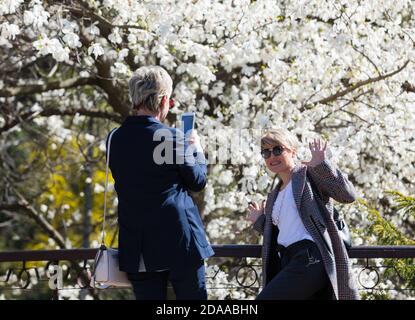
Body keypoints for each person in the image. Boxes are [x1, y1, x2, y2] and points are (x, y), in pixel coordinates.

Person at [106, 65, 214, 300]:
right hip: (179, 242)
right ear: (164, 100)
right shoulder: (171, 138)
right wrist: (194, 148)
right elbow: (197, 180)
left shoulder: (114, 138)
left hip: (137, 246)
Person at [247, 128, 359, 300]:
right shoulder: (274, 195)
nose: (272, 156)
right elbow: (287, 230)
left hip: (310, 257)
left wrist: (322, 165)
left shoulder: (307, 175)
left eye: (277, 150)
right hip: (287, 260)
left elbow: (347, 195)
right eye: (266, 153)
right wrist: (261, 222)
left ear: (293, 151)